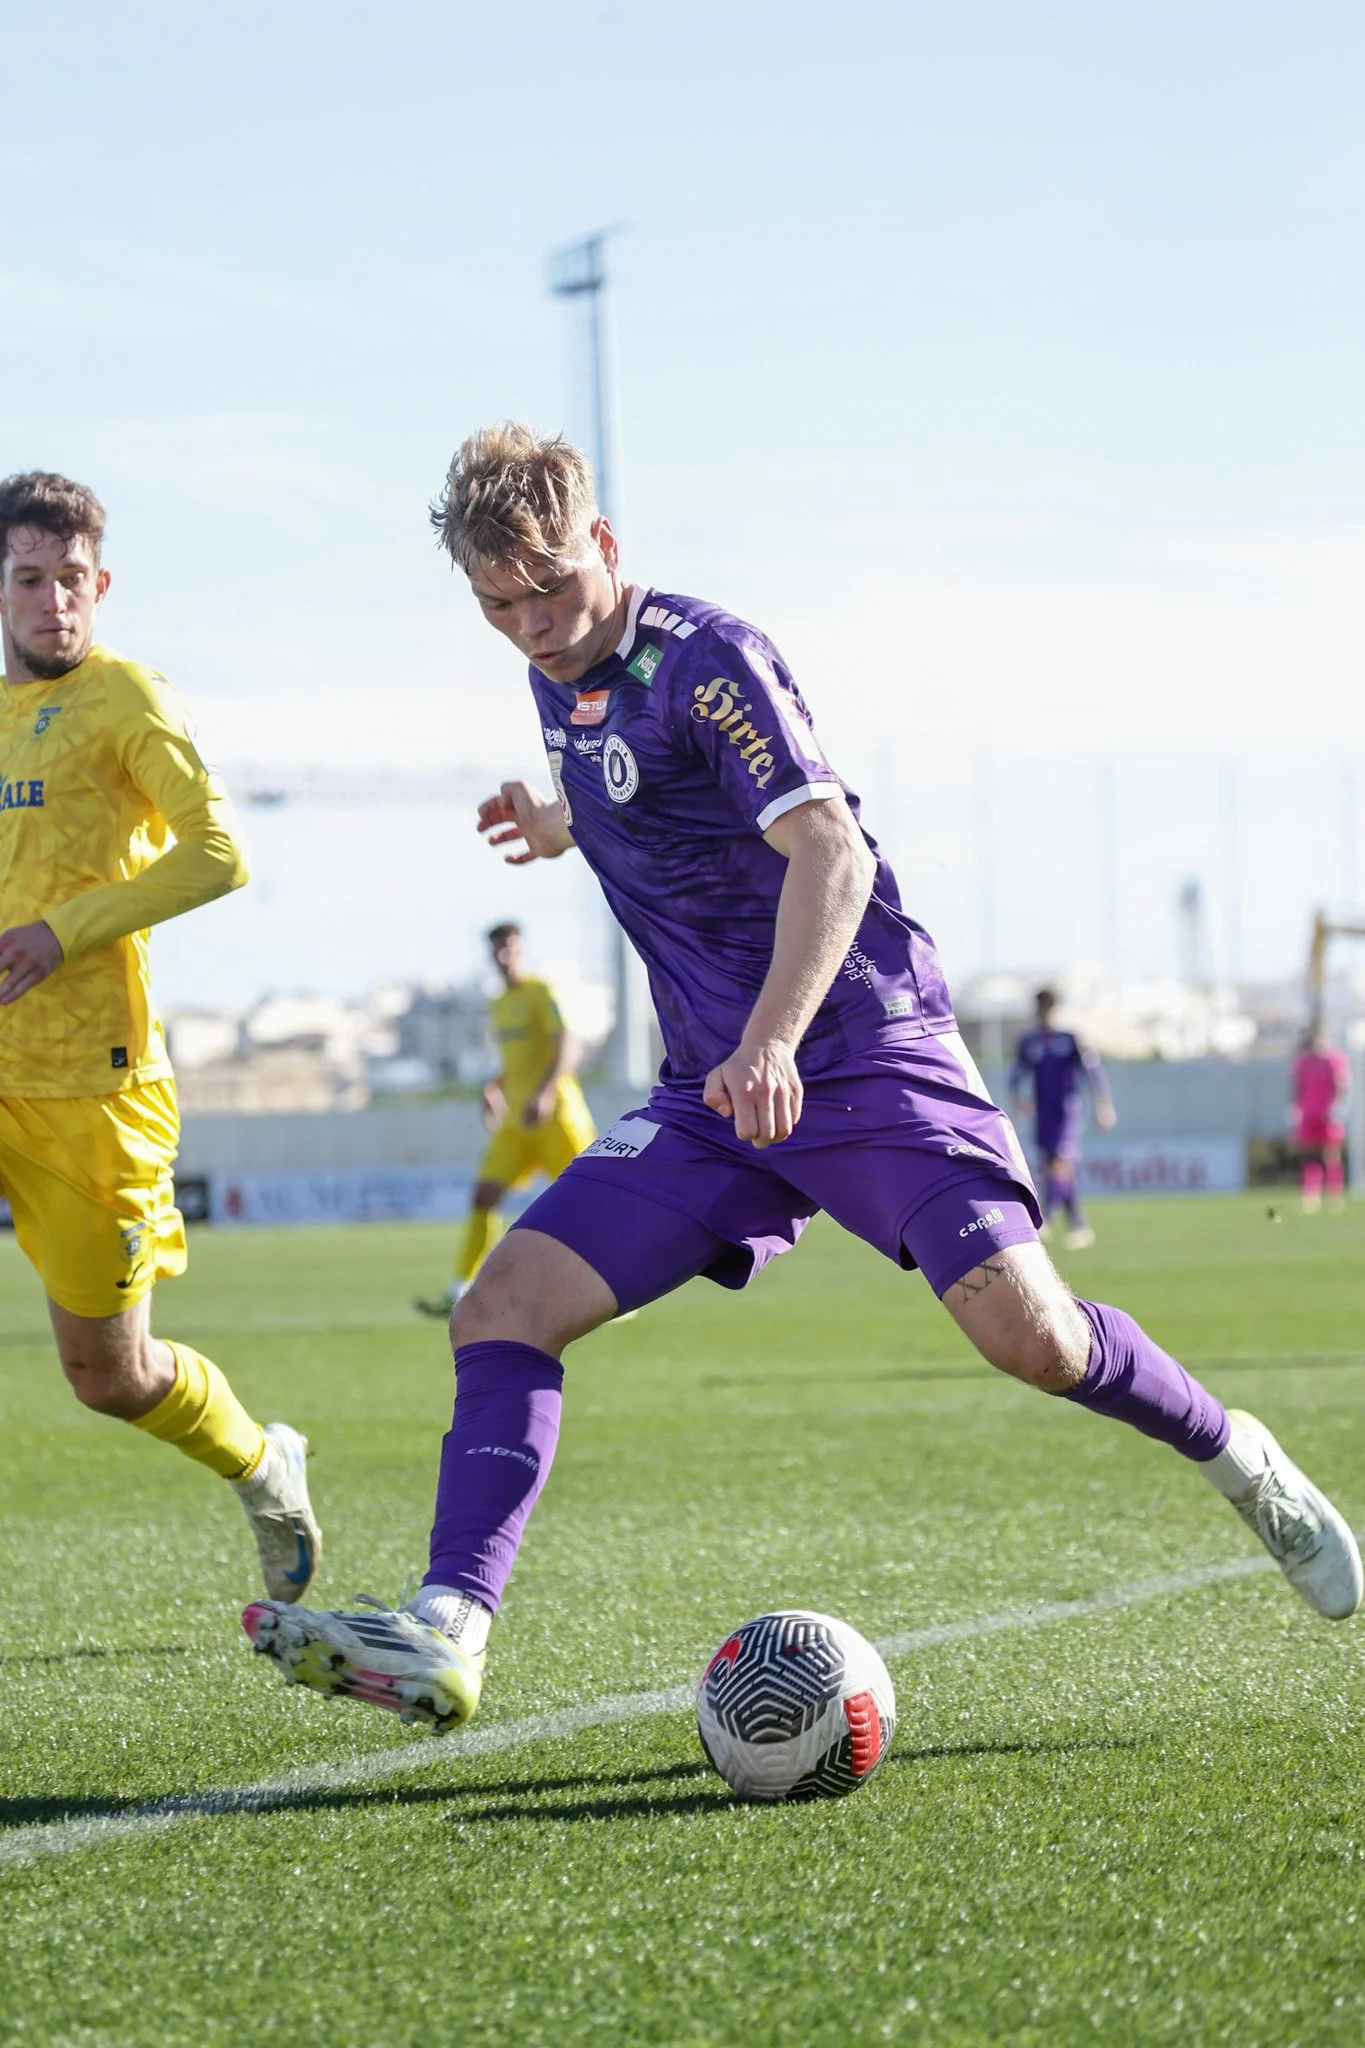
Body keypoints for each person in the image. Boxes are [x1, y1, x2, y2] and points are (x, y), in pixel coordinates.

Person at [243, 426, 1359, 1732]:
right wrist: (559, 823)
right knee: (500, 1308)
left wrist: (773, 1037)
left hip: (862, 1054)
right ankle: (447, 1628)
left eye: (551, 587)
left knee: (1035, 1342)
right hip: (717, 1101)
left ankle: (1240, 1458)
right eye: (500, 605)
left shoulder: (710, 659)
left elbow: (833, 854)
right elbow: (628, 780)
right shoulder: (559, 677)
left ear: (604, 546)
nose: (533, 624)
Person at [0, 472, 321, 1604]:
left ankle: (259, 1459)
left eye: (72, 580)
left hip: (94, 1093)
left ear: (102, 583)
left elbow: (217, 851)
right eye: (30, 579)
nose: (54, 602)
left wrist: (62, 931)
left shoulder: (126, 696)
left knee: (111, 1373)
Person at [414, 921, 595, 1316]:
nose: (503, 955)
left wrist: (545, 1093)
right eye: (496, 949)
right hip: (517, 1120)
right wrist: (493, 1086)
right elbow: (518, 1061)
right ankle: (461, 1290)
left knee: (588, 1203)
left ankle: (614, 1288)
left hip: (556, 1116)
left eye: (509, 947)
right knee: (483, 1196)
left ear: (522, 949)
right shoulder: (499, 1005)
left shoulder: (540, 991)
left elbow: (567, 1046)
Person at [1009, 987, 1115, 1249]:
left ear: (1057, 1008)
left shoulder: (1072, 1039)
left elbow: (1093, 1073)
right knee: (1052, 1167)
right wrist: (1018, 1099)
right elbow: (1016, 1074)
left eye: (1050, 1007)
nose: (1046, 1012)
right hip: (1044, 1113)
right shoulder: (1030, 1041)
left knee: (1060, 1164)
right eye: (1042, 1007)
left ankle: (1045, 1218)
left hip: (1067, 1111)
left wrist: (1104, 1105)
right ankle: (1079, 1226)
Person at [1291, 1023, 1349, 1213]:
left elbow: (1342, 1084)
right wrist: (1295, 1109)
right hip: (1309, 1113)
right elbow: (1297, 1087)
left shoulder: (1335, 1059)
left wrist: (1338, 1107)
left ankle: (1334, 1194)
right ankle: (1311, 1194)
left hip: (1328, 1113)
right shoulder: (1303, 1061)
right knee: (1309, 1154)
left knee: (1330, 1153)